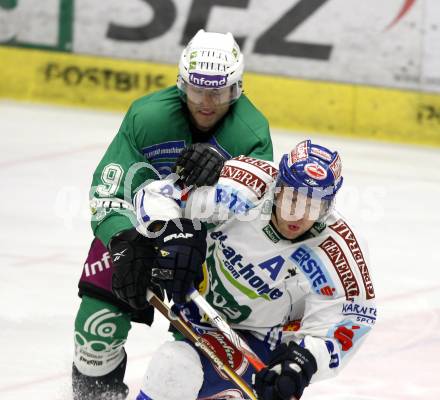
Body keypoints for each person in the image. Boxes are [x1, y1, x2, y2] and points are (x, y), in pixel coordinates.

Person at [72, 29, 273, 400]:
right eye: (197, 91)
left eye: (219, 92)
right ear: (182, 84)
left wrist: (226, 172)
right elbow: (110, 185)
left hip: (208, 254)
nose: (207, 104)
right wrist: (121, 238)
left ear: (237, 89)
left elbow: (255, 213)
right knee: (94, 333)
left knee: (190, 362)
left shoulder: (251, 132)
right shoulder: (147, 117)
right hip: (138, 231)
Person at [132, 139, 377, 400]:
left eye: (313, 206)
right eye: (292, 199)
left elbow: (350, 321)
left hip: (260, 341)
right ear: (279, 187)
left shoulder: (336, 250)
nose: (298, 215)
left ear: (328, 206)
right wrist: (170, 233)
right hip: (193, 303)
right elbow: (158, 194)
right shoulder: (245, 186)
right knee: (174, 366)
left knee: (174, 365)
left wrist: (302, 361)